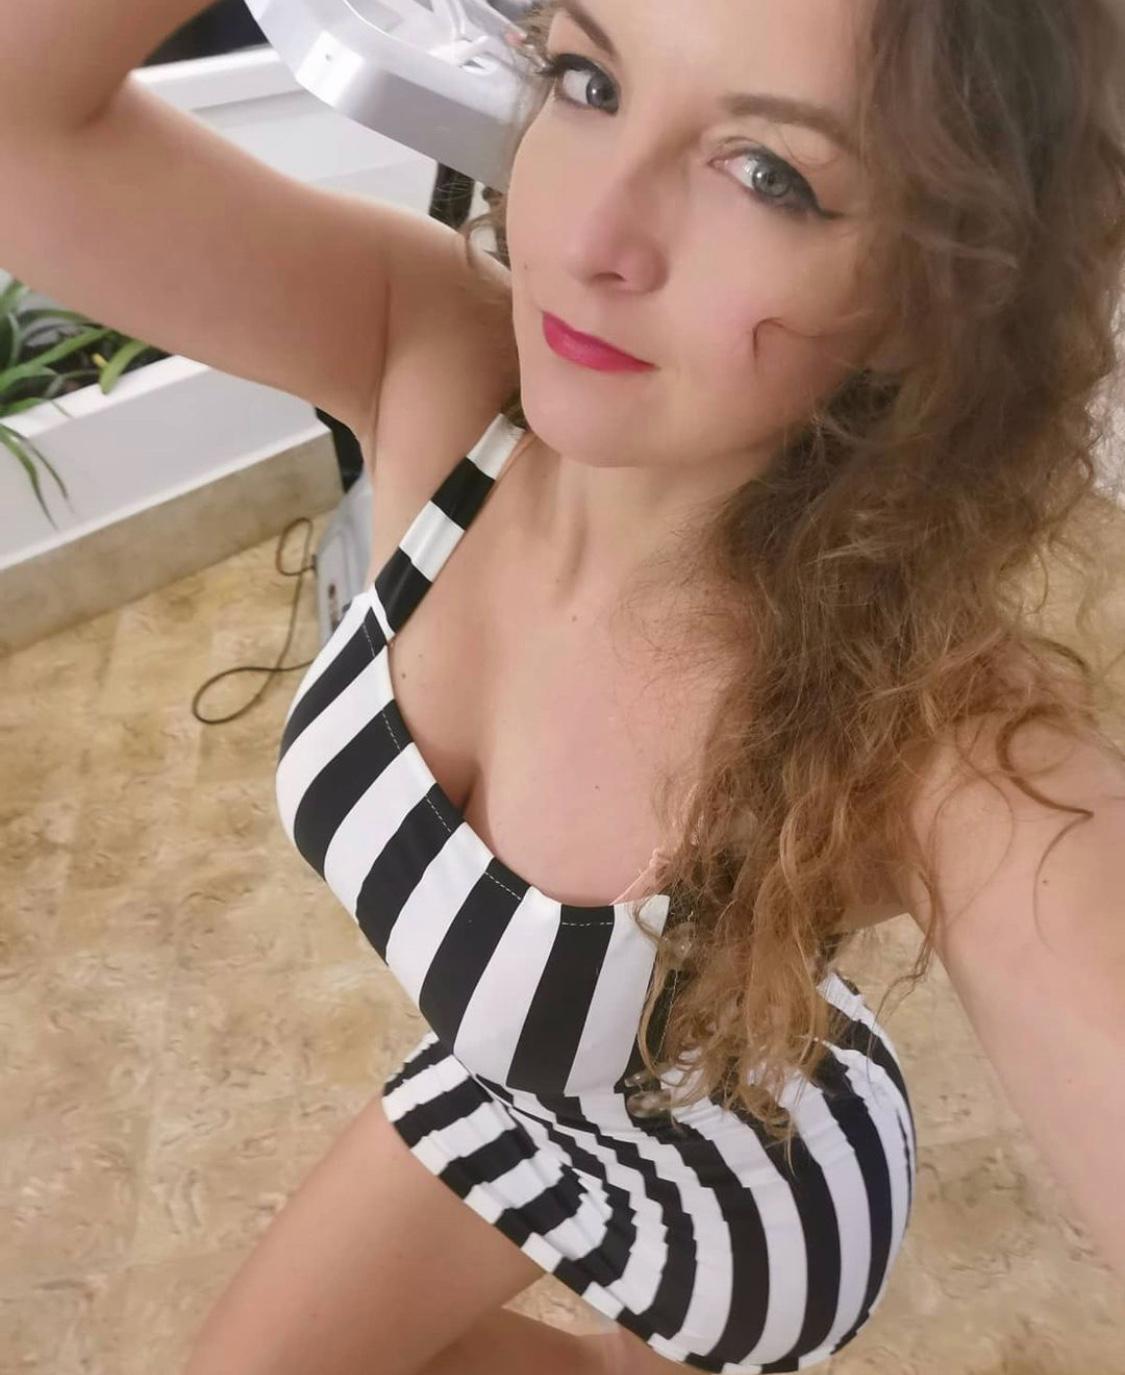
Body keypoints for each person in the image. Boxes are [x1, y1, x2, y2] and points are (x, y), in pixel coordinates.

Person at [3, 1, 1124, 1372]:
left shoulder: (930, 725)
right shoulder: (428, 354)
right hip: (515, 1103)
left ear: (923, 296)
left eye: (768, 174)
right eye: (589, 82)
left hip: (740, 1223)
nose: (587, 240)